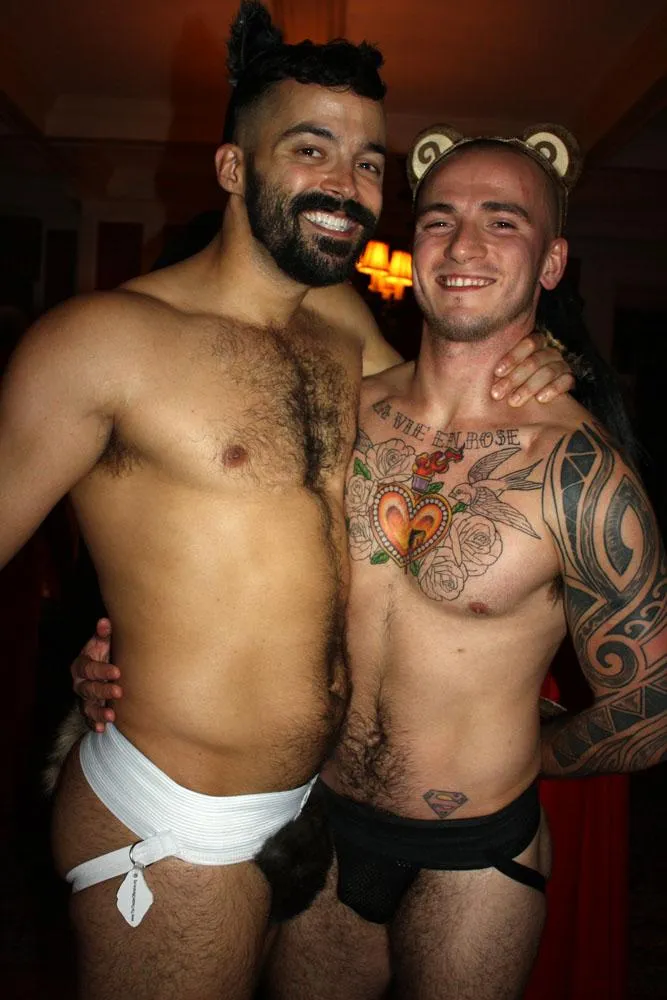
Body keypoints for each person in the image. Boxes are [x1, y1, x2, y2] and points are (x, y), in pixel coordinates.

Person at [0, 5, 571, 999]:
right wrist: (68, 676)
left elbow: (449, 417)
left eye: (367, 161)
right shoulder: (97, 343)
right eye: (311, 150)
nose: (349, 187)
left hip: (317, 814)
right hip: (176, 817)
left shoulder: (344, 325)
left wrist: (540, 353)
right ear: (232, 167)